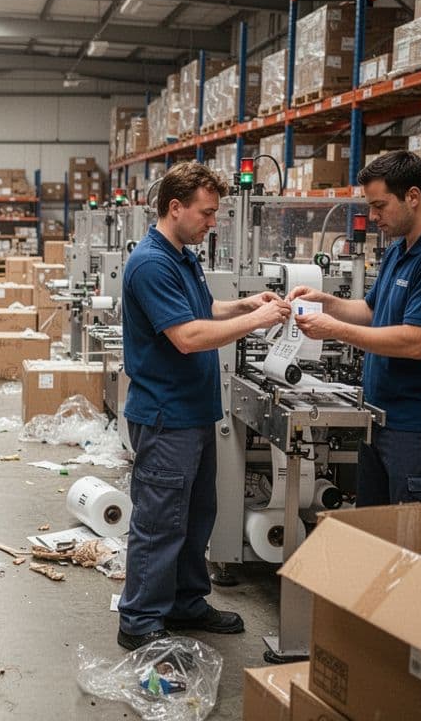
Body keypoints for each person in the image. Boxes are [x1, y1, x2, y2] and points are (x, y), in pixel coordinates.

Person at [117, 161, 291, 651]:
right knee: (160, 522)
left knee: (195, 518)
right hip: (165, 415)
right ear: (175, 208)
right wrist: (257, 321)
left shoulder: (182, 257)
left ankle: (186, 602)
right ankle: (140, 619)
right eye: (207, 213)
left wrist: (243, 305)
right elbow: (188, 336)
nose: (213, 223)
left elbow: (202, 310)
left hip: (192, 412)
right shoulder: (151, 263)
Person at [286, 150, 421, 506]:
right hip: (380, 418)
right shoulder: (399, 250)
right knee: (371, 529)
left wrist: (333, 329)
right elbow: (372, 311)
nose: (373, 216)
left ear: (413, 197)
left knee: (411, 534)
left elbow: (416, 342)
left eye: (379, 206)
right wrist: (325, 302)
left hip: (419, 429)